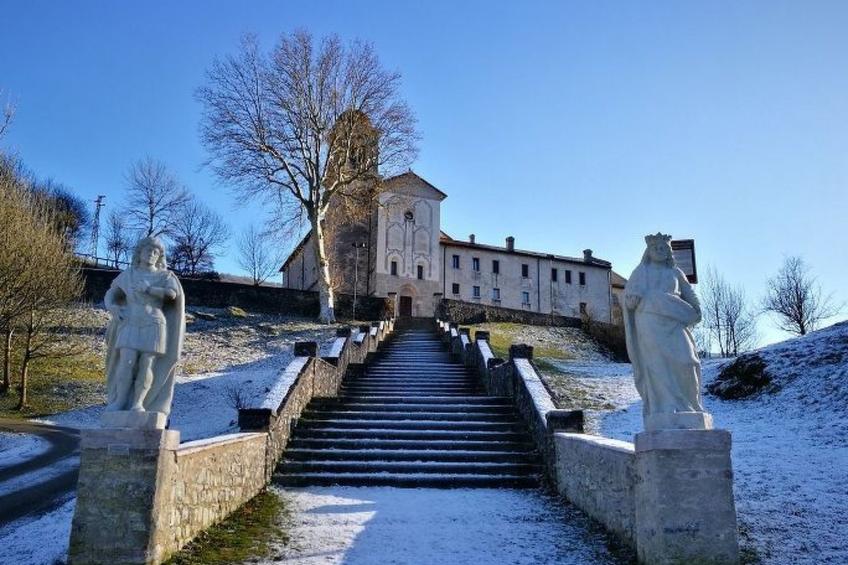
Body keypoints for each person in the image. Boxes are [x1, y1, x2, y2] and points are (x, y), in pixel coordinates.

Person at [623, 233, 704, 426]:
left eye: (663, 248)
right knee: (657, 365)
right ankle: (665, 406)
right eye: (655, 248)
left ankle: (691, 404)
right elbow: (629, 297)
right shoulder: (640, 272)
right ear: (648, 252)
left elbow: (690, 295)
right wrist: (631, 302)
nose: (659, 251)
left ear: (669, 252)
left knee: (688, 362)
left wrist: (696, 311)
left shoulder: (676, 273)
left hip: (674, 320)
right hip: (649, 321)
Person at [104, 236, 184, 415]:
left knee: (146, 364)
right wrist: (113, 308)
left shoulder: (165, 276)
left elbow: (172, 294)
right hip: (130, 321)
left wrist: (150, 289)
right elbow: (111, 294)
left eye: (156, 252)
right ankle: (120, 400)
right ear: (139, 252)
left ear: (160, 256)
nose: (152, 254)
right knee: (126, 362)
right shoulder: (129, 274)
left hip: (154, 322)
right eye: (148, 250)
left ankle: (138, 403)